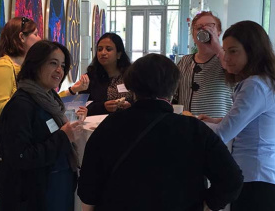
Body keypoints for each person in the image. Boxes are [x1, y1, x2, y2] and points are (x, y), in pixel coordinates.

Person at [77, 54, 243, 211]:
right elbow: (232, 179)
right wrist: (204, 205)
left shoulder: (110, 125)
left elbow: (88, 188)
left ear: (131, 86)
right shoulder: (193, 129)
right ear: (173, 88)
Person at [200, 21, 275, 210]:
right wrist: (216, 121)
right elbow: (250, 123)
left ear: (253, 51)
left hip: (260, 185)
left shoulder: (255, 85)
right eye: (225, 51)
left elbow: (222, 134)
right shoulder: (264, 82)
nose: (226, 58)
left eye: (233, 51)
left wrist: (191, 123)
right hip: (261, 183)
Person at [0, 40, 84, 211]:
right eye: (53, 63)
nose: (59, 70)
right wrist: (63, 137)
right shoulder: (21, 105)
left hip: (54, 189)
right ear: (35, 65)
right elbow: (20, 156)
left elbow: (47, 130)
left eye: (63, 65)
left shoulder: (50, 99)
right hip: (32, 196)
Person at [174, 11, 232, 118]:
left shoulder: (225, 58)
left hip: (217, 129)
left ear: (218, 32)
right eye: (198, 28)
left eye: (210, 26)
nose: (204, 30)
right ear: (193, 35)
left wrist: (216, 47)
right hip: (189, 127)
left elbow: (230, 68)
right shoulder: (185, 61)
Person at [0, 16, 41, 119]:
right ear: (22, 37)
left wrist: (71, 90)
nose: (39, 38)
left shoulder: (27, 67)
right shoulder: (4, 66)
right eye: (35, 34)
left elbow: (43, 99)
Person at [74, 33, 132, 116]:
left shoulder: (130, 76)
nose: (103, 53)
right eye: (99, 49)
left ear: (118, 54)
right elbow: (82, 106)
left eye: (108, 49)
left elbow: (143, 101)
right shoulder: (90, 77)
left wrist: (131, 105)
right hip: (98, 124)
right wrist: (103, 107)